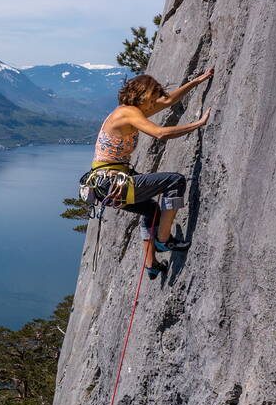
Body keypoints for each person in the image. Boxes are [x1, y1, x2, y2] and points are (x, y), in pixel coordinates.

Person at [91, 69, 213, 279]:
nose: (154, 102)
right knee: (175, 181)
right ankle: (163, 240)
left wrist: (195, 82)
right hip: (113, 183)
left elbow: (166, 102)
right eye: (152, 98)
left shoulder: (127, 112)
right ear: (144, 95)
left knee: (151, 210)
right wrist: (198, 124)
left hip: (105, 186)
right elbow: (159, 133)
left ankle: (151, 264)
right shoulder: (128, 113)